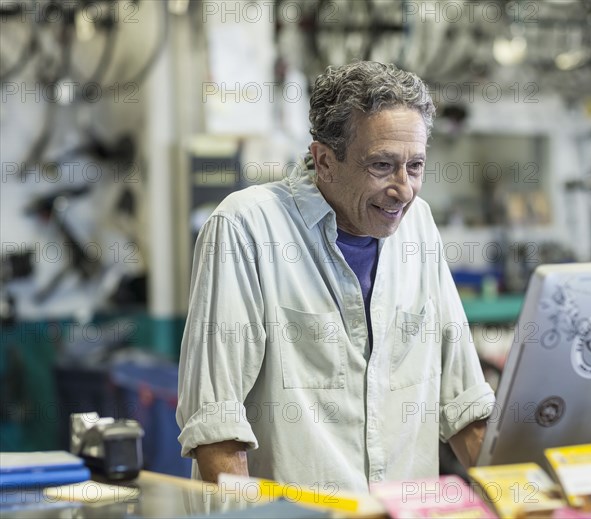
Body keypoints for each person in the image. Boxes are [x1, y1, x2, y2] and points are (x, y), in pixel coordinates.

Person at [176, 61, 495, 493]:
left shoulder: (418, 226)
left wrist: (524, 502)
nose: (403, 189)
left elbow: (465, 404)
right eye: (382, 166)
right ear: (324, 160)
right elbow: (216, 422)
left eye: (415, 166)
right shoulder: (247, 228)